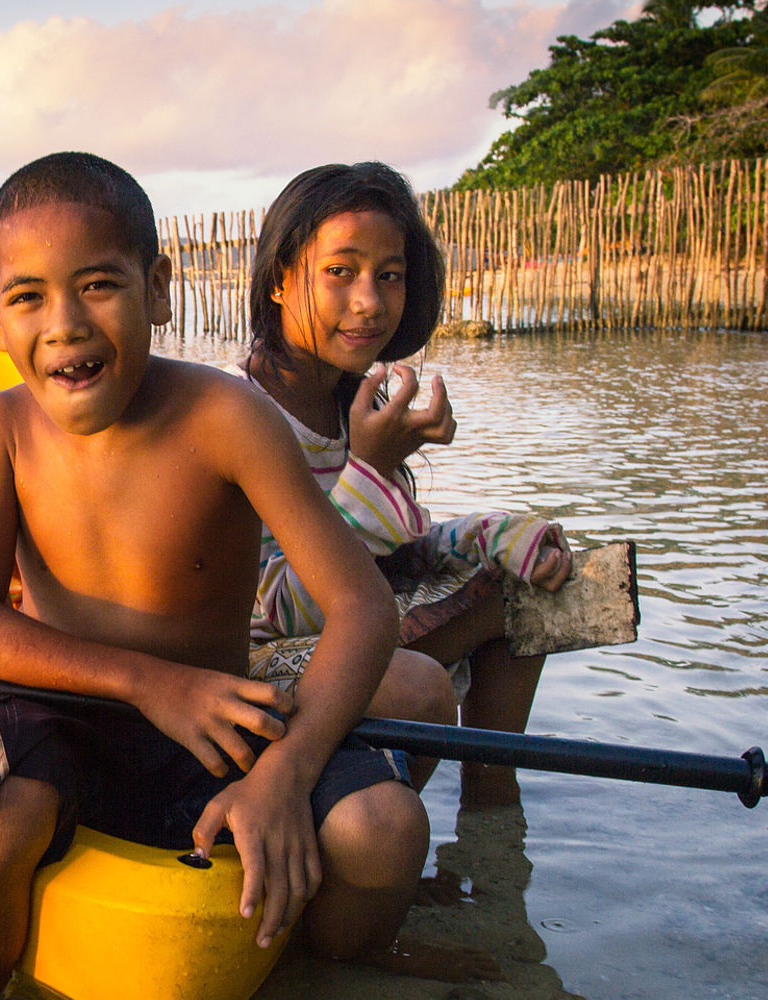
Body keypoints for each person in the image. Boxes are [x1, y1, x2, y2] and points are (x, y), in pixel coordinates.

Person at [0, 152, 494, 1000]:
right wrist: (148, 682)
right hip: (56, 709)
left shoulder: (226, 417)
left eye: (99, 285)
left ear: (158, 289)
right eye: (29, 295)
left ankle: (321, 966)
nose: (66, 324)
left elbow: (362, 611)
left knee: (383, 827)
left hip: (213, 728)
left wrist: (284, 774)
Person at [232, 162, 572, 809]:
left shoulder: (346, 399)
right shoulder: (238, 412)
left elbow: (389, 550)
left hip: (335, 630)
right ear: (279, 279)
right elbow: (280, 608)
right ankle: (391, 818)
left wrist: (491, 534)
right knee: (419, 682)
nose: (370, 301)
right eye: (341, 272)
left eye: (389, 275)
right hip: (250, 662)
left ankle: (491, 809)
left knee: (524, 580)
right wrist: (374, 470)